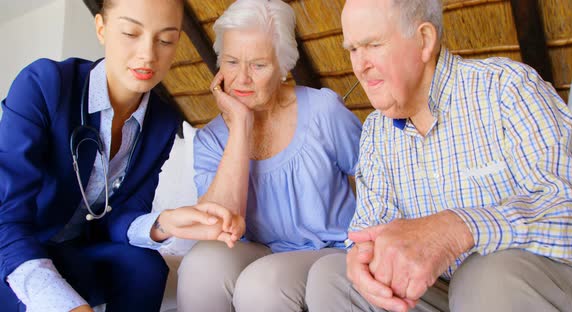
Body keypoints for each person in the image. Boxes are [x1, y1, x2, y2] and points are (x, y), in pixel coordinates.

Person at [305, 0, 572, 311]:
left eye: (372, 44)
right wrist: (360, 258)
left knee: (483, 278)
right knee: (332, 278)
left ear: (424, 40)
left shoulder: (507, 89)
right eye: (353, 50)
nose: (359, 65)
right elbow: (368, 229)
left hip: (533, 284)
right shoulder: (376, 132)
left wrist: (458, 227)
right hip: (442, 290)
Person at [0, 0, 243, 311]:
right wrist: (67, 305)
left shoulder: (161, 123)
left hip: (73, 251)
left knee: (145, 266)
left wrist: (164, 224)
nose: (148, 54)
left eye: (165, 40)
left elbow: (119, 219)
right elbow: (7, 216)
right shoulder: (44, 85)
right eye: (130, 33)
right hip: (13, 245)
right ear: (101, 28)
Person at [176, 0, 362, 311]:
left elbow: (379, 175)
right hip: (256, 249)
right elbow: (218, 224)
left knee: (262, 284)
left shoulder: (323, 112)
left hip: (328, 251)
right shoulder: (211, 139)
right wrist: (240, 127)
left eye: (258, 65)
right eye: (232, 62)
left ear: (284, 67)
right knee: (199, 264)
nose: (242, 78)